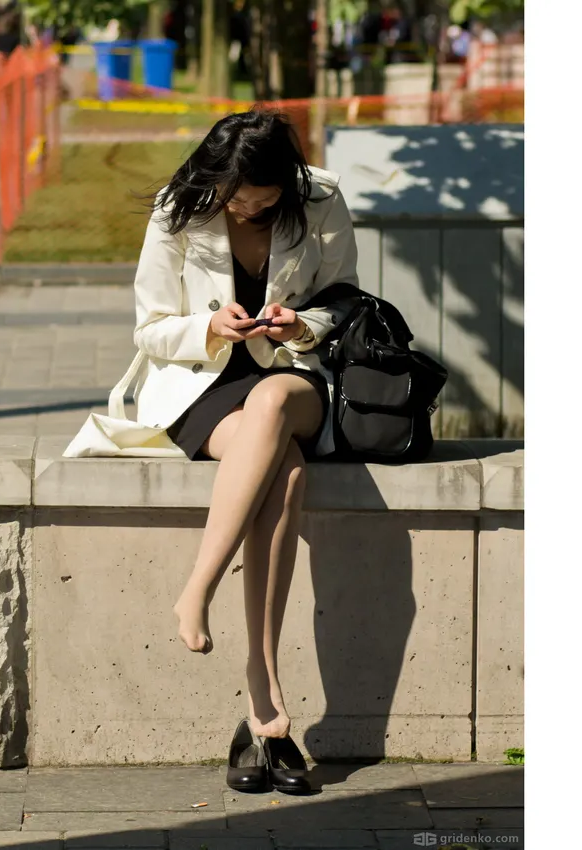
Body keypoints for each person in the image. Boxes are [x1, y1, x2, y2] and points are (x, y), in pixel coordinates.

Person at [128, 109, 359, 758]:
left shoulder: (321, 198)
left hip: (293, 377)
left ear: (287, 178)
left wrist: (299, 325)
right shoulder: (182, 206)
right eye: (237, 196)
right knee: (283, 475)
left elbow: (346, 299)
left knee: (272, 407)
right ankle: (265, 698)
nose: (249, 206)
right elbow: (148, 328)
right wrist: (209, 330)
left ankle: (198, 586)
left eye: (263, 195)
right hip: (201, 386)